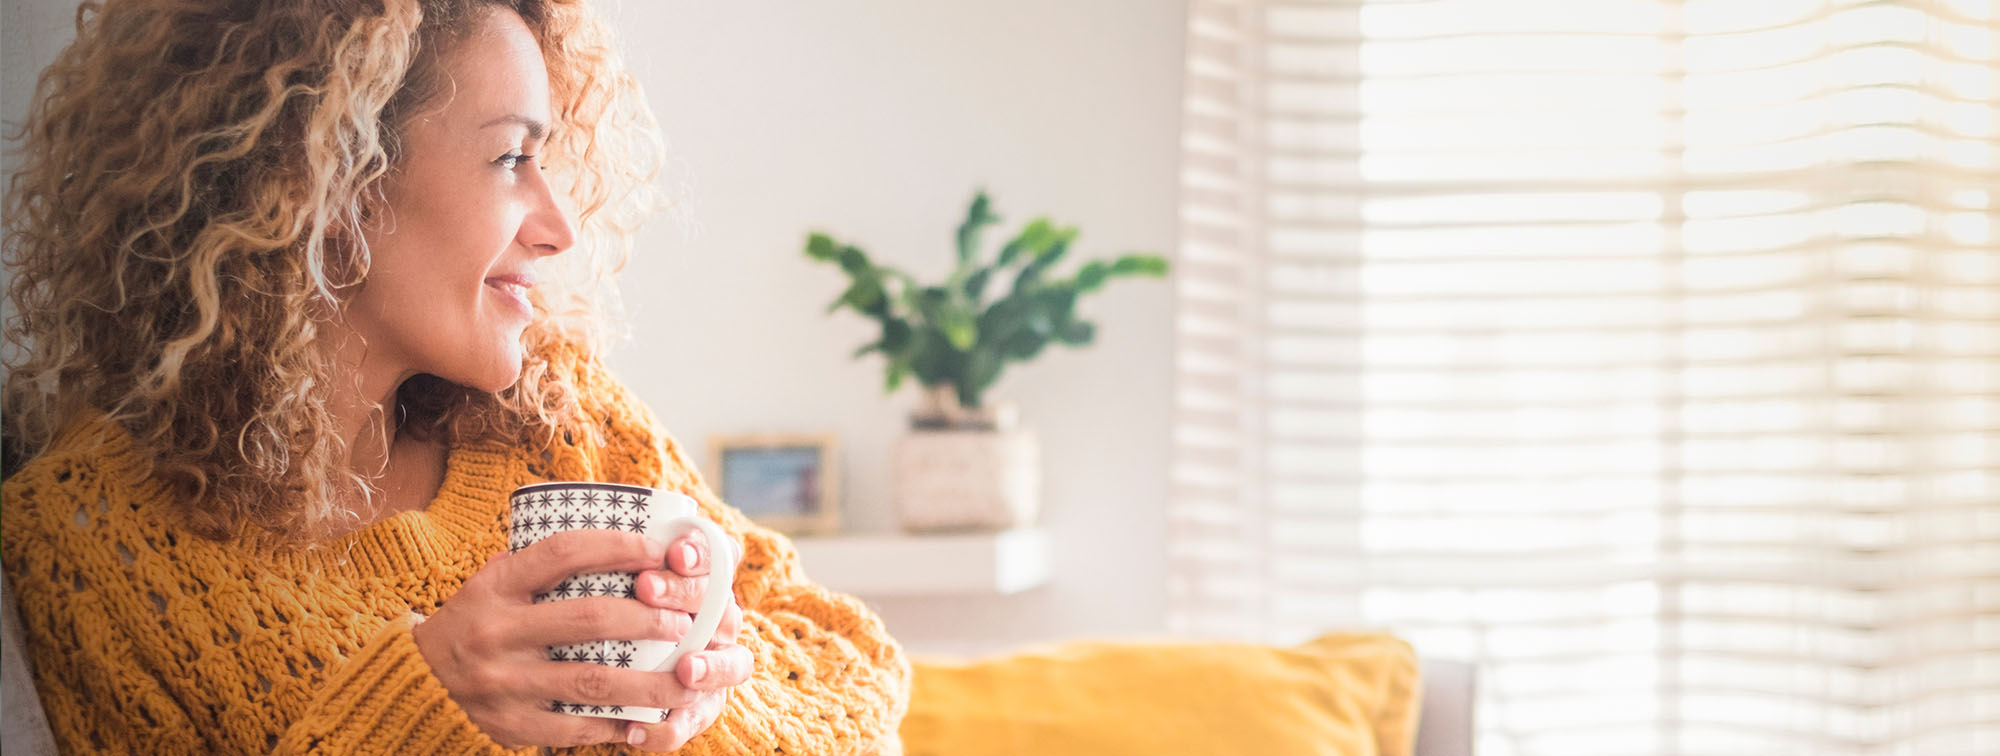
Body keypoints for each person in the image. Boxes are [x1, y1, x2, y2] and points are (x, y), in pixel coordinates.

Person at [0, 0, 910, 753]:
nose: (560, 227)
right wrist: (422, 711)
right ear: (323, 175)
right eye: (513, 158)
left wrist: (691, 694)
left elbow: (851, 668)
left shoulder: (557, 414)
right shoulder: (94, 548)